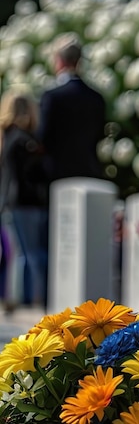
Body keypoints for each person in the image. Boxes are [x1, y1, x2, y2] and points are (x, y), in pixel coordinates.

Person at [0, 90, 50, 308]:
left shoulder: (7, 138)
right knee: (30, 253)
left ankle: (19, 297)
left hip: (12, 202)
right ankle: (29, 298)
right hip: (28, 202)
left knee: (20, 253)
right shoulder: (25, 140)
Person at [37, 37, 106, 182]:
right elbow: (100, 133)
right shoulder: (96, 97)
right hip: (88, 170)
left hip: (57, 172)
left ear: (59, 61)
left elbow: (43, 136)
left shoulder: (52, 97)